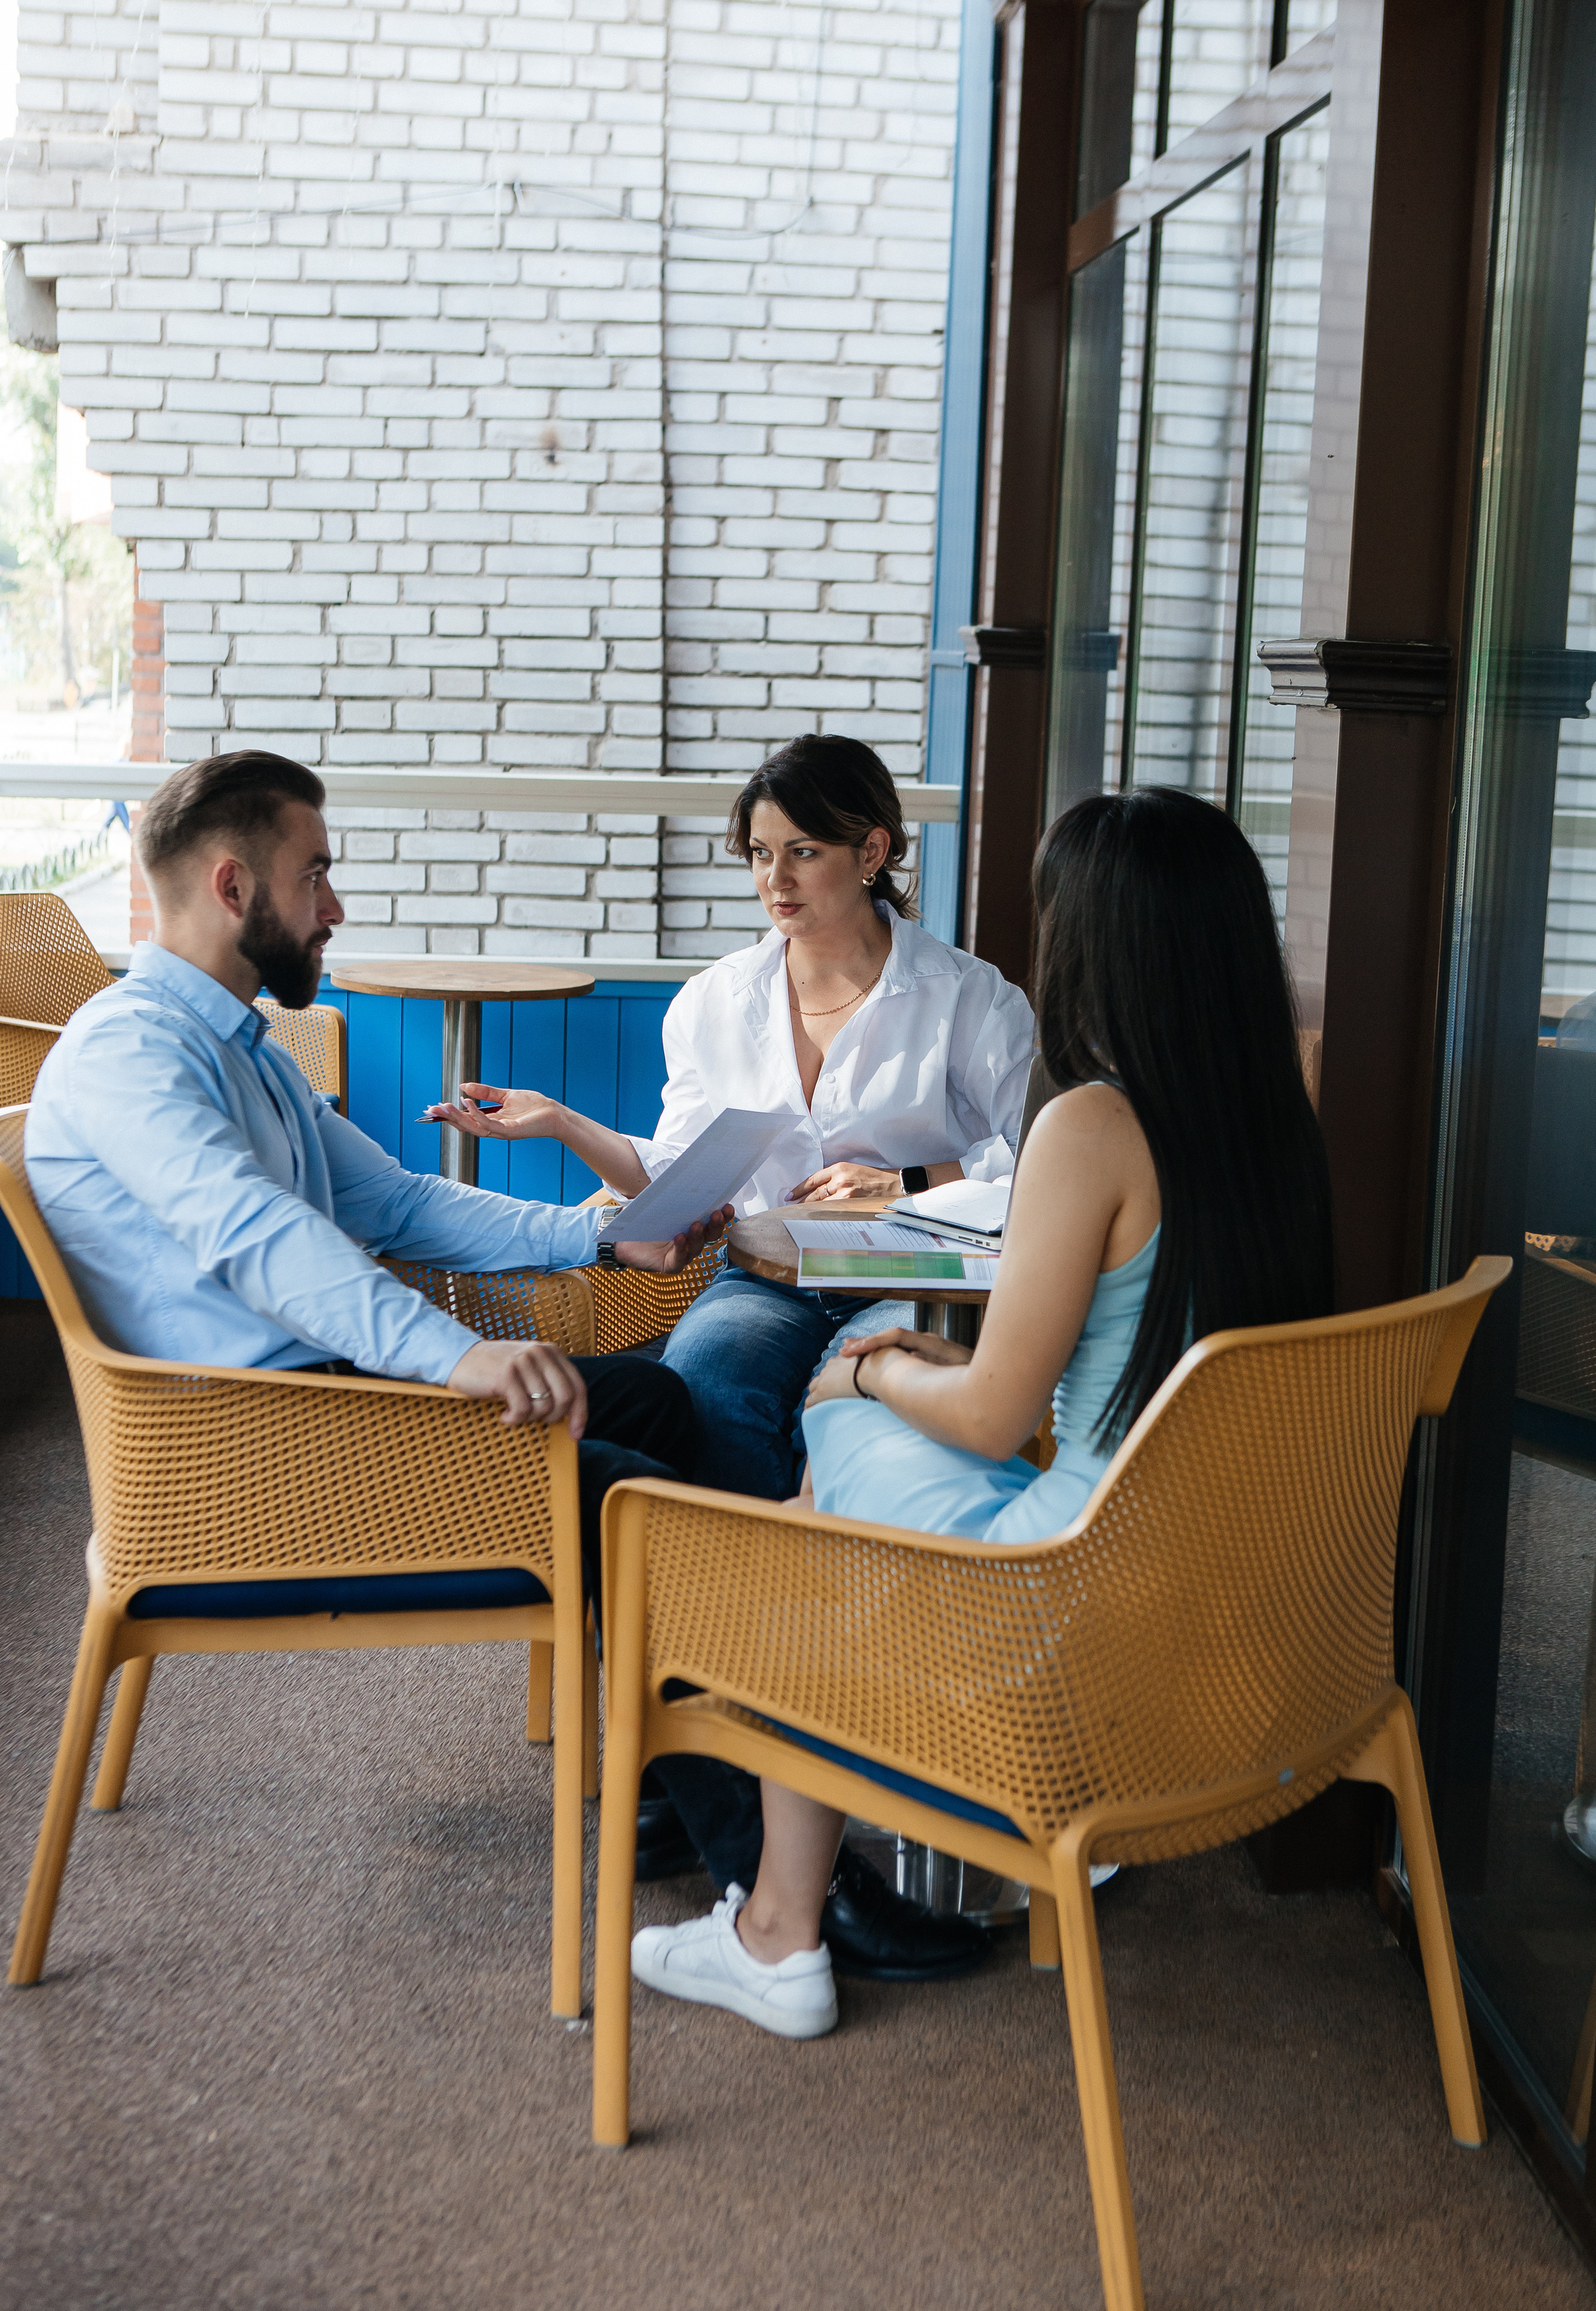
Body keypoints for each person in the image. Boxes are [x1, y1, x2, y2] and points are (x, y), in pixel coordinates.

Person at [627, 786, 1337, 2039]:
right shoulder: (1277, 1124)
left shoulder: (1092, 1124)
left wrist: (868, 1373)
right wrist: (928, 1369)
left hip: (1071, 1609)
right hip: (1233, 1629)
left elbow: (994, 1418)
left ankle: (781, 1926)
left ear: (1095, 942)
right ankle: (792, 1908)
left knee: (831, 1444)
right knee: (861, 1459)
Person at [424, 733, 1036, 1978]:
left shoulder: (972, 1001)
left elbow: (1034, 1173)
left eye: (801, 852)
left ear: (872, 849)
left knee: (851, 1436)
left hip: (908, 1288)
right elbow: (676, 1178)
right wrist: (565, 1127)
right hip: (761, 1278)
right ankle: (727, 1734)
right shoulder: (715, 1002)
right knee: (703, 1405)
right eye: (758, 855)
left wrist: (907, 1182)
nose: (774, 880)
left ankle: (762, 1757)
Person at [26, 751, 732, 1573]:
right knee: (640, 1507)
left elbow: (398, 1205)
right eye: (314, 876)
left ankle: (626, 1638)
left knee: (653, 1398)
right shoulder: (129, 1050)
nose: (334, 908)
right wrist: (457, 1356)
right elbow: (258, 1236)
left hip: (323, 1396)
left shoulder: (248, 1050)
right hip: (237, 1457)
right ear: (233, 888)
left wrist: (606, 1238)